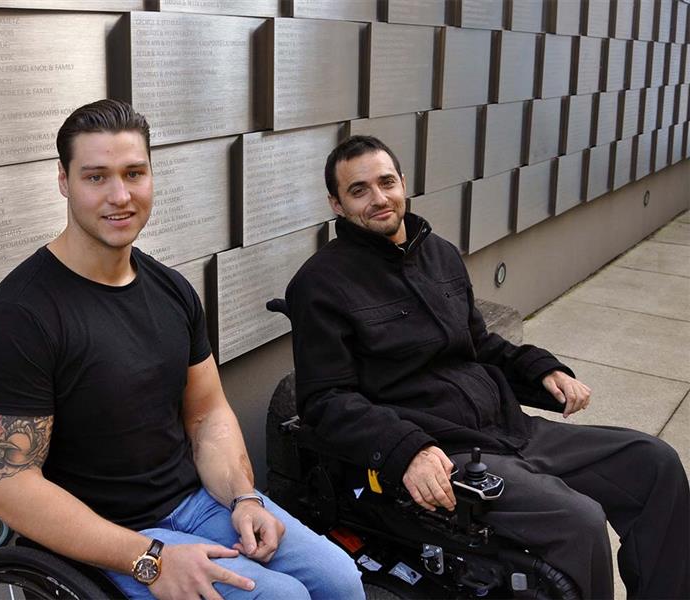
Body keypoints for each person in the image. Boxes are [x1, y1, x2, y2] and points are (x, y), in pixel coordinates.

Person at [0, 99, 364, 600]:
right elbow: (11, 488)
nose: (120, 195)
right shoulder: (16, 319)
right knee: (284, 598)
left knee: (341, 580)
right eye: (96, 177)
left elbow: (207, 414)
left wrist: (243, 498)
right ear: (63, 180)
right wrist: (149, 559)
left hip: (197, 502)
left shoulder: (170, 289)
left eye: (134, 173)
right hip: (104, 538)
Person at [285, 135, 689, 600]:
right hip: (442, 453)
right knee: (576, 520)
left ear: (403, 184)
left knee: (654, 464)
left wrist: (541, 371)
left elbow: (479, 344)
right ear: (336, 204)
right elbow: (325, 401)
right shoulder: (320, 284)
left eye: (386, 182)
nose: (378, 198)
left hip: (509, 430)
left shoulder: (438, 254)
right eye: (359, 191)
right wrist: (405, 450)